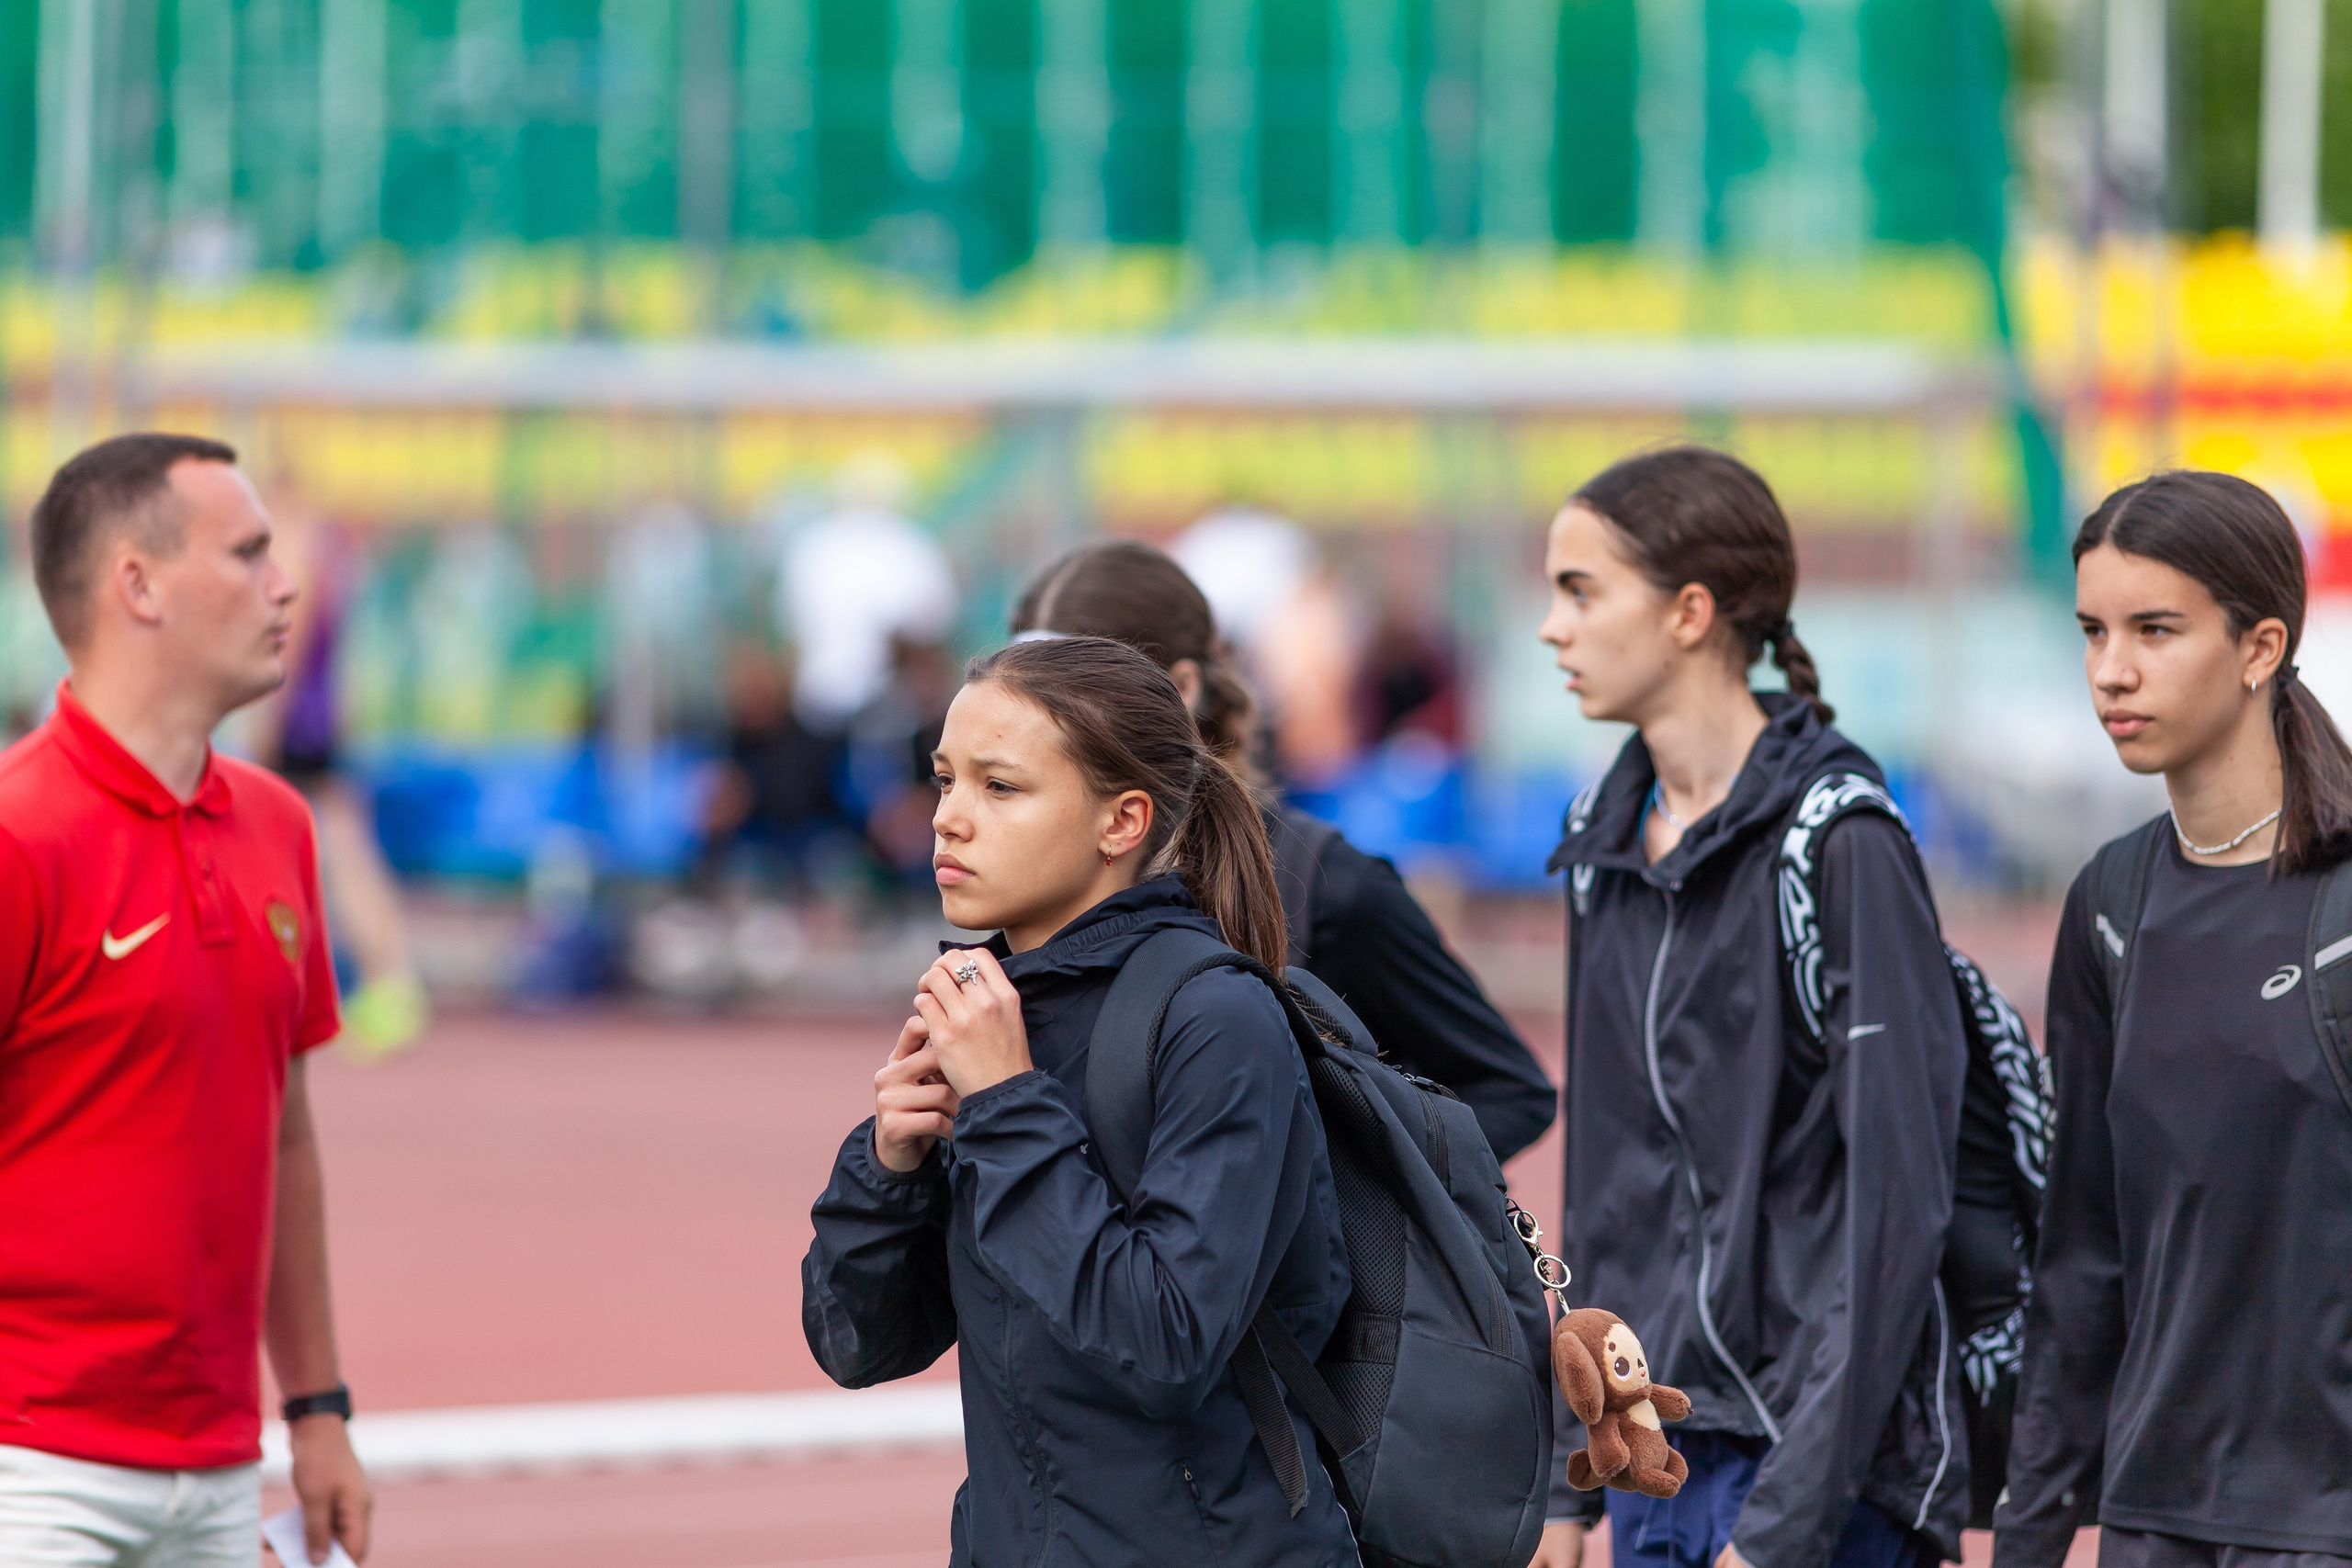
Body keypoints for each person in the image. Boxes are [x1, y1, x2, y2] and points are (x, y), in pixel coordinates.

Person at [801, 636, 1356, 1568]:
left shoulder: (1215, 1017)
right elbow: (857, 1347)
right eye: (943, 781)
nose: (948, 819)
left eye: (999, 787)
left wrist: (1009, 1102)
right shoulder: (994, 1014)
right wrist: (888, 1165)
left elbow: (1165, 1345)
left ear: (1121, 821)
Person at [1535, 447, 1968, 1568]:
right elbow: (1607, 1186)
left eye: (1580, 590)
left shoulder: (1843, 840)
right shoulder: (1602, 836)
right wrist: (1570, 1475)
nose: (1551, 626)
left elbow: (1894, 1217)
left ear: (1689, 612)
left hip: (1815, 1476)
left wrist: (1781, 1524)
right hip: (1654, 1454)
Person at [0, 434, 370, 1566]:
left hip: (219, 1474)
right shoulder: (18, 837)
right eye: (249, 552)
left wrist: (316, 1411)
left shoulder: (279, 826)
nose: (287, 582)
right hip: (31, 1473)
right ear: (138, 585)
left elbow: (286, 1135)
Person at [1996, 472, 2352, 1568]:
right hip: (2153, 1520)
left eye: (2155, 629)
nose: (2112, 670)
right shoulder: (2108, 902)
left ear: (2258, 647)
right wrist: (2032, 1524)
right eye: (2093, 630)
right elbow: (2083, 1249)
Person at [1011, 538, 1557, 1163]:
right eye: (1024, 687)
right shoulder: (1024, 875)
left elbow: (1509, 1090)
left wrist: (1333, 1209)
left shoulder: (1322, 881)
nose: (1035, 724)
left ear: (1182, 686)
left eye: (1070, 690)